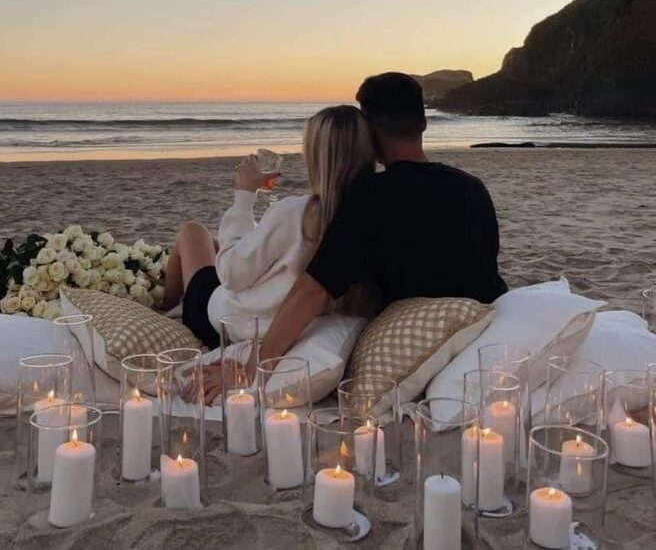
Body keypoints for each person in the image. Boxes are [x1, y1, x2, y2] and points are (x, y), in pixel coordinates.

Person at [201, 71, 508, 402]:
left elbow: (311, 292)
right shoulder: (471, 188)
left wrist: (251, 369)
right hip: (485, 330)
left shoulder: (372, 197)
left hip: (424, 334)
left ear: (370, 134)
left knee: (205, 251)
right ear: (423, 123)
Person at [163, 105, 375, 364]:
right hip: (279, 319)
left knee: (192, 232)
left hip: (224, 317)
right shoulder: (368, 219)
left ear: (316, 155)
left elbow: (230, 274)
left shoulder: (296, 213)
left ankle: (164, 311)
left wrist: (244, 194)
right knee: (216, 245)